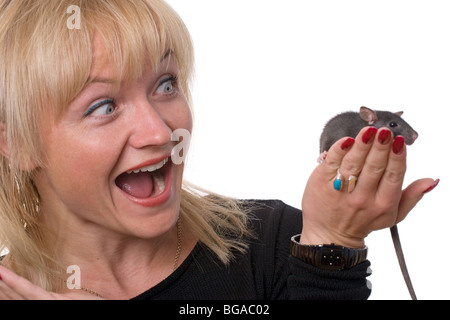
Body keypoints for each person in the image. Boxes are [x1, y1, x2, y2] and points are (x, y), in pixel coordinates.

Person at [0, 0, 438, 300]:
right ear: (17, 144)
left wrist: (333, 245)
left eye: (165, 84)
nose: (160, 131)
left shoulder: (275, 241)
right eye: (103, 105)